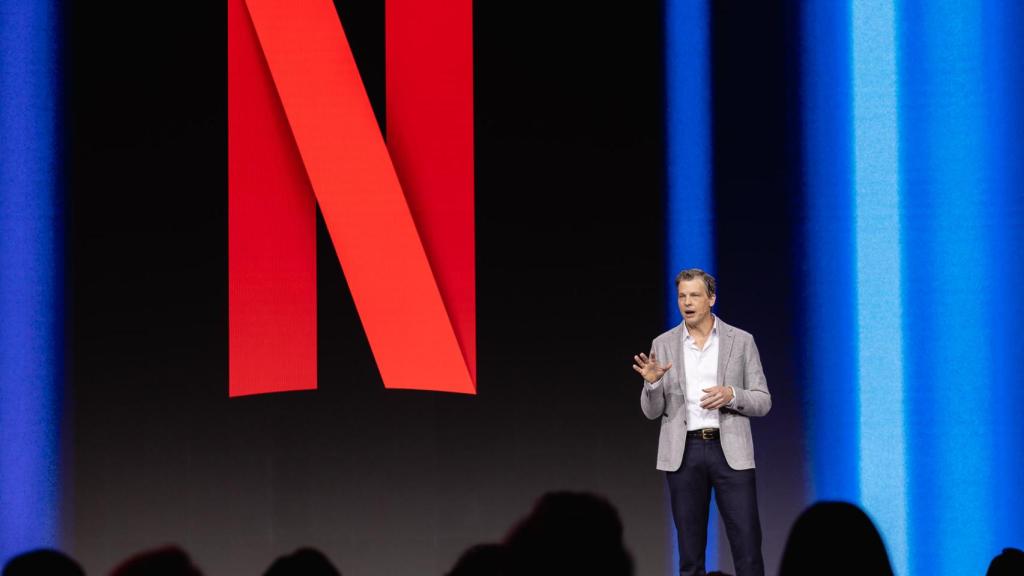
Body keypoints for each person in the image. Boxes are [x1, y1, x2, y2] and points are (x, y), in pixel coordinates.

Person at [633, 269, 771, 576]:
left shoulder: (741, 341)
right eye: (682, 296)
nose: (687, 302)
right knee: (690, 555)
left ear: (711, 298)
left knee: (748, 551)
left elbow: (763, 400)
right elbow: (652, 412)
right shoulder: (663, 344)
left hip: (730, 452)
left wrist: (731, 395)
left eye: (694, 295)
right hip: (684, 454)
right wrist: (653, 384)